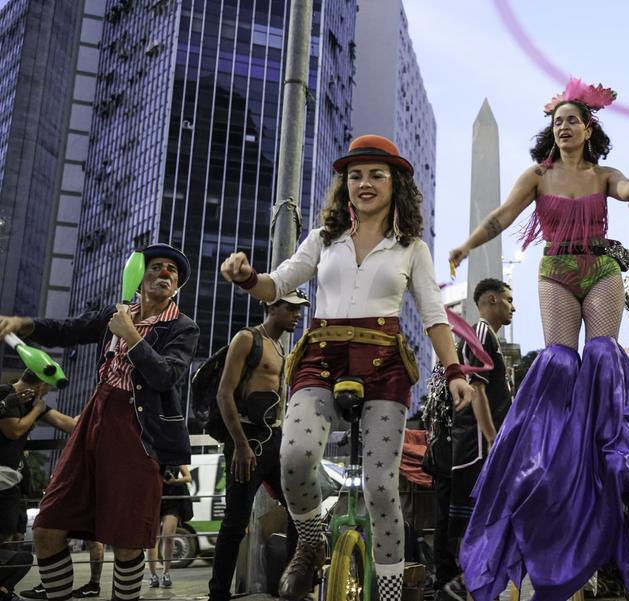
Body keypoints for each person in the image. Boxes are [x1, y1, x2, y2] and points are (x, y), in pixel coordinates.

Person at [449, 80, 629, 601]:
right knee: (557, 362)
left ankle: (609, 438)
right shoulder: (538, 175)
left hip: (600, 266)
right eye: (558, 120)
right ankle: (552, 439)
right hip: (555, 268)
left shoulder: (602, 175)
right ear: (552, 131)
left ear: (588, 128)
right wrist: (467, 245)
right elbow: (501, 217)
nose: (564, 125)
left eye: (573, 119)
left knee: (601, 353)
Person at [219, 134, 472, 601]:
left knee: (380, 488)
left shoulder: (411, 247)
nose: (365, 183)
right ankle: (312, 544)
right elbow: (278, 283)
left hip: (384, 367)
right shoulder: (322, 239)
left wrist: (455, 372)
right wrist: (247, 277)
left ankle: (391, 593)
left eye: (376, 174)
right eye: (355, 175)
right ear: (345, 186)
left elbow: (434, 315)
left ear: (395, 183)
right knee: (294, 458)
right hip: (322, 358)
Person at [0, 243, 197, 601]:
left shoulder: (182, 327)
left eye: (172, 269)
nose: (164, 272)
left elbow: (166, 376)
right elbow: (67, 329)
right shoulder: (115, 311)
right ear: (139, 276)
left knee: (126, 540)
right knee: (47, 527)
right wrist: (23, 324)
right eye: (155, 266)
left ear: (178, 285)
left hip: (138, 431)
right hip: (95, 416)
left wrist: (131, 334)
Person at [206, 291, 308, 601]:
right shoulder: (248, 339)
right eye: (290, 308)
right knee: (236, 521)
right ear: (270, 306)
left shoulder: (281, 347)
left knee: (299, 510)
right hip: (247, 440)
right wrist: (239, 444)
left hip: (274, 440)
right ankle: (218, 594)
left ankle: (292, 590)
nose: (297, 314)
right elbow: (224, 394)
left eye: (299, 309)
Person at [437, 279, 514, 600]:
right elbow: (477, 389)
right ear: (492, 300)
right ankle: (465, 583)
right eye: (509, 300)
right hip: (479, 448)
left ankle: (473, 584)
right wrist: (493, 439)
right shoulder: (481, 332)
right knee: (483, 520)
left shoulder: (487, 336)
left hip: (482, 446)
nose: (513, 307)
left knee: (487, 521)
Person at [0, 371, 76, 601]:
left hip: (11, 483)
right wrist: (37, 409)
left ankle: (4, 590)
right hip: (2, 480)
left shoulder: (34, 404)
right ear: (42, 384)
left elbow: (69, 424)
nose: (48, 393)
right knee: (5, 535)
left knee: (14, 539)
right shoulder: (6, 393)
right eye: (49, 387)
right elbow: (13, 429)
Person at [147, 465, 192, 588]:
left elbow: (188, 477)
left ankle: (166, 573)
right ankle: (153, 576)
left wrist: (175, 481)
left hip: (172, 500)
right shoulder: (153, 453)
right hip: (154, 498)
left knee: (169, 536)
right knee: (153, 539)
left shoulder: (176, 455)